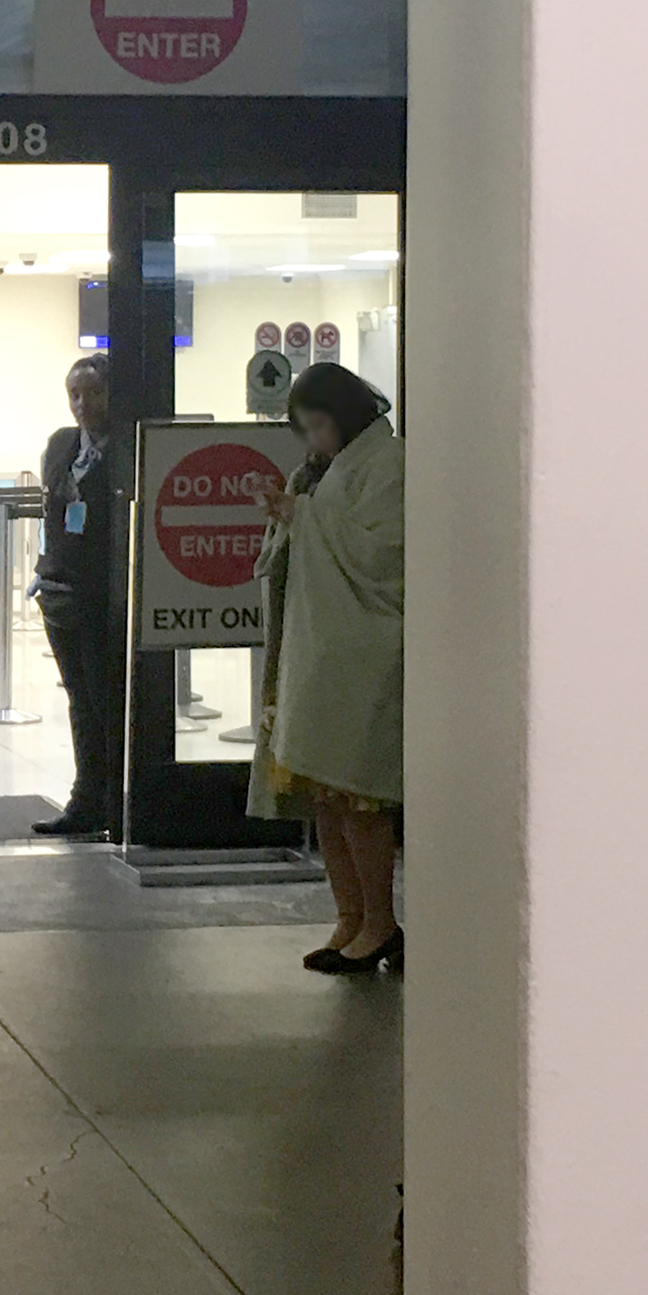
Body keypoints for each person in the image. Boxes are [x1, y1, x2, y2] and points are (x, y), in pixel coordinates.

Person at [249, 362, 406, 974]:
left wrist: (303, 516)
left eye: (317, 425)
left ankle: (379, 920)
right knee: (325, 793)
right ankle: (350, 915)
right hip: (317, 646)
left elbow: (387, 553)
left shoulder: (389, 463)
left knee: (358, 792)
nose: (312, 440)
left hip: (359, 651)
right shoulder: (326, 468)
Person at [28, 353, 128, 838]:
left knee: (106, 700)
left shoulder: (129, 450)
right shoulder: (63, 445)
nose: (82, 404)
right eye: (74, 394)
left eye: (93, 393)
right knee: (79, 702)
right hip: (63, 593)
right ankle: (87, 800)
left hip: (106, 597)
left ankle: (115, 800)